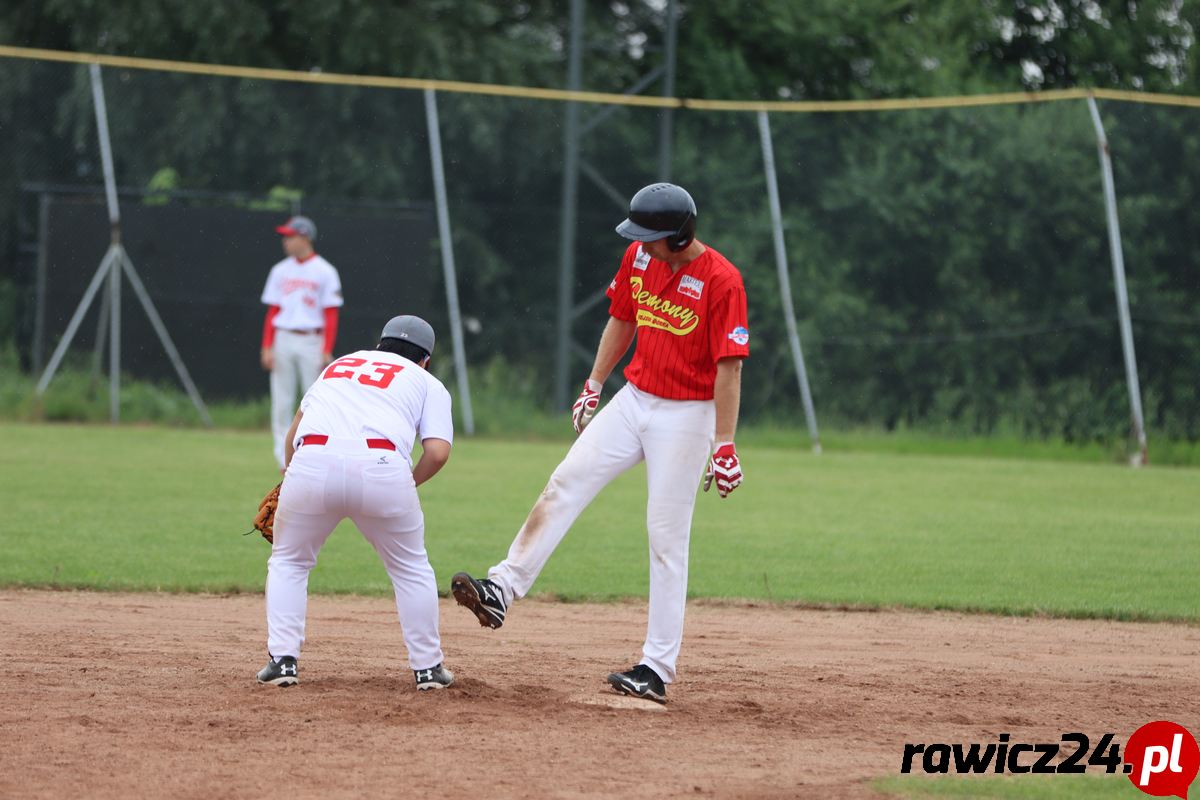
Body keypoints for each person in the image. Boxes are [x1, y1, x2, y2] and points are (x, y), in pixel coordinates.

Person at [450, 183, 749, 704]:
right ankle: (502, 588)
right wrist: (593, 383)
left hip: (688, 414)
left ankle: (655, 668)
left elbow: (729, 367)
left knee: (665, 537)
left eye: (650, 235)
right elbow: (622, 318)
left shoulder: (722, 281)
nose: (640, 243)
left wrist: (724, 442)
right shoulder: (638, 257)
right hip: (634, 400)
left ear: (680, 236)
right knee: (564, 483)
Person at [255, 314, 456, 692]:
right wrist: (406, 483)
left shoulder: (339, 365)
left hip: (311, 461)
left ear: (379, 344)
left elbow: (294, 433)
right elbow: (438, 452)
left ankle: (282, 661)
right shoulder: (428, 382)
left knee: (289, 561)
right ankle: (428, 670)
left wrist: (290, 478)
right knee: (411, 568)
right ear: (425, 359)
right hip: (383, 466)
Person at [260, 215, 344, 471]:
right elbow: (273, 310)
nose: (286, 241)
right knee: (282, 401)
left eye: (290, 236)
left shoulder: (325, 271)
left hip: (311, 340)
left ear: (305, 237)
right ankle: (283, 459)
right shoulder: (280, 270)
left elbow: (331, 313)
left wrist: (326, 348)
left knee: (315, 401)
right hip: (283, 337)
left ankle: (313, 453)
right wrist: (267, 345)